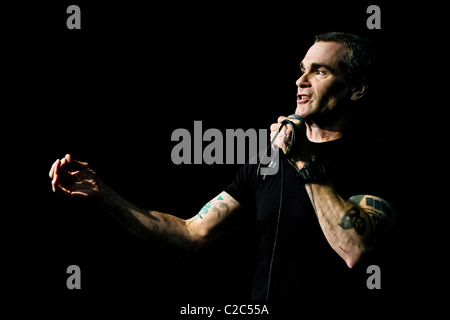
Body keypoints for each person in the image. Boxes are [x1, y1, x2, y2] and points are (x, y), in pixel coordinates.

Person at [49, 32, 398, 300]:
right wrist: (106, 196)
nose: (300, 81)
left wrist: (303, 159)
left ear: (357, 89)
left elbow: (356, 249)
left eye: (319, 71)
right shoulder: (268, 163)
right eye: (301, 70)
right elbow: (192, 234)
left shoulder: (375, 157)